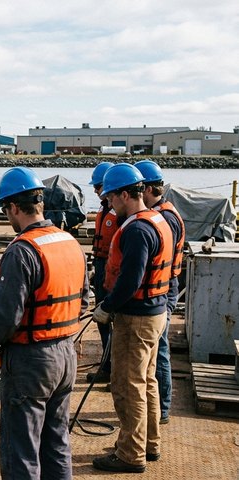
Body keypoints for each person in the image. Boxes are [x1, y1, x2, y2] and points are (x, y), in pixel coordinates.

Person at [0, 166, 89, 479]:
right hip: (66, 355)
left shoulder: (22, 251)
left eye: (5, 209)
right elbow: (85, 299)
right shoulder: (68, 241)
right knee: (56, 441)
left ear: (13, 207)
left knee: (20, 450)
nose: (6, 217)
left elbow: (7, 316)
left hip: (31, 362)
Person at [91, 163, 173, 474]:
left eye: (112, 197)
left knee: (128, 385)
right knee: (146, 382)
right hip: (155, 312)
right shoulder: (156, 220)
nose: (109, 203)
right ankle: (149, 443)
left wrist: (107, 306)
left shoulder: (137, 229)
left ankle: (130, 453)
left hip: (137, 319)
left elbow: (131, 279)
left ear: (126, 194)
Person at [136, 159, 184, 425]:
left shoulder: (163, 217)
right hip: (165, 285)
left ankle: (162, 408)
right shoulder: (164, 213)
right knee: (157, 348)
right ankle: (159, 406)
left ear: (146, 188)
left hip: (163, 288)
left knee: (159, 347)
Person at [86, 161, 118, 384]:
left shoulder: (119, 214)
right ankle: (108, 365)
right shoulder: (105, 209)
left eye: (98, 187)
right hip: (102, 267)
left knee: (108, 322)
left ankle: (110, 368)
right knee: (102, 322)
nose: (96, 191)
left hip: (111, 271)